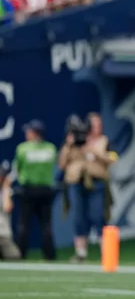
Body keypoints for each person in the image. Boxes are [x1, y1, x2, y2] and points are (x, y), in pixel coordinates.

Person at [59, 113, 116, 263]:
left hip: (97, 182)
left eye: (99, 124)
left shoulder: (104, 141)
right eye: (94, 124)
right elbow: (62, 164)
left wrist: (93, 150)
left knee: (98, 216)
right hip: (77, 182)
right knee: (79, 217)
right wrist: (69, 144)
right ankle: (81, 252)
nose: (97, 127)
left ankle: (106, 253)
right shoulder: (75, 141)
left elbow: (113, 158)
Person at [13, 120, 57, 260]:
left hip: (28, 190)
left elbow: (17, 169)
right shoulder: (50, 148)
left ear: (34, 133)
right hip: (45, 190)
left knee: (24, 225)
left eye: (29, 131)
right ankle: (49, 255)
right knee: (46, 225)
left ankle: (20, 254)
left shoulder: (23, 149)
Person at [0, 161, 21, 260]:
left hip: (3, 236)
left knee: (14, 256)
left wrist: (6, 188)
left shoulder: (6, 191)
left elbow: (7, 207)